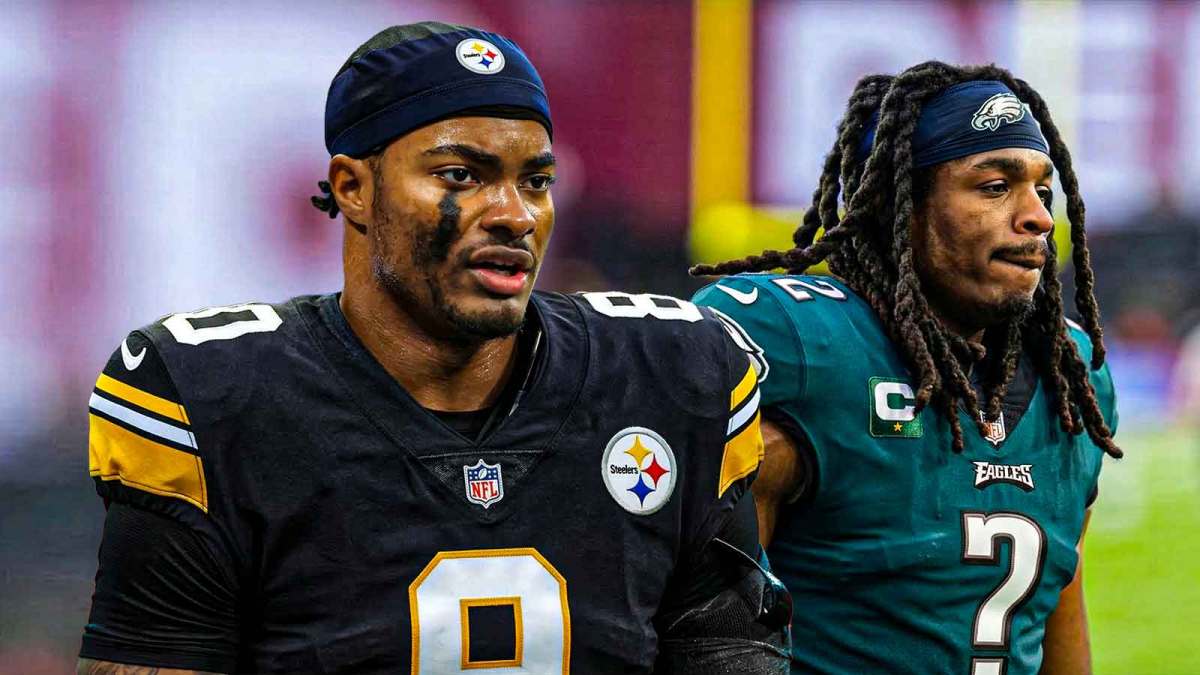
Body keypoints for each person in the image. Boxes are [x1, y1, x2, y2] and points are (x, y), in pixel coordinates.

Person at [78, 22, 789, 674]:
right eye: (461, 175)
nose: (514, 215)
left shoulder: (669, 375)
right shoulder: (216, 397)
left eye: (536, 181)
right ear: (353, 189)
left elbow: (728, 652)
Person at [692, 61, 1120, 675]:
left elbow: (1059, 601)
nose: (1039, 218)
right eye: (994, 186)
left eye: (1043, 191)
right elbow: (704, 632)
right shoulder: (803, 350)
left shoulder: (1072, 372)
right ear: (899, 205)